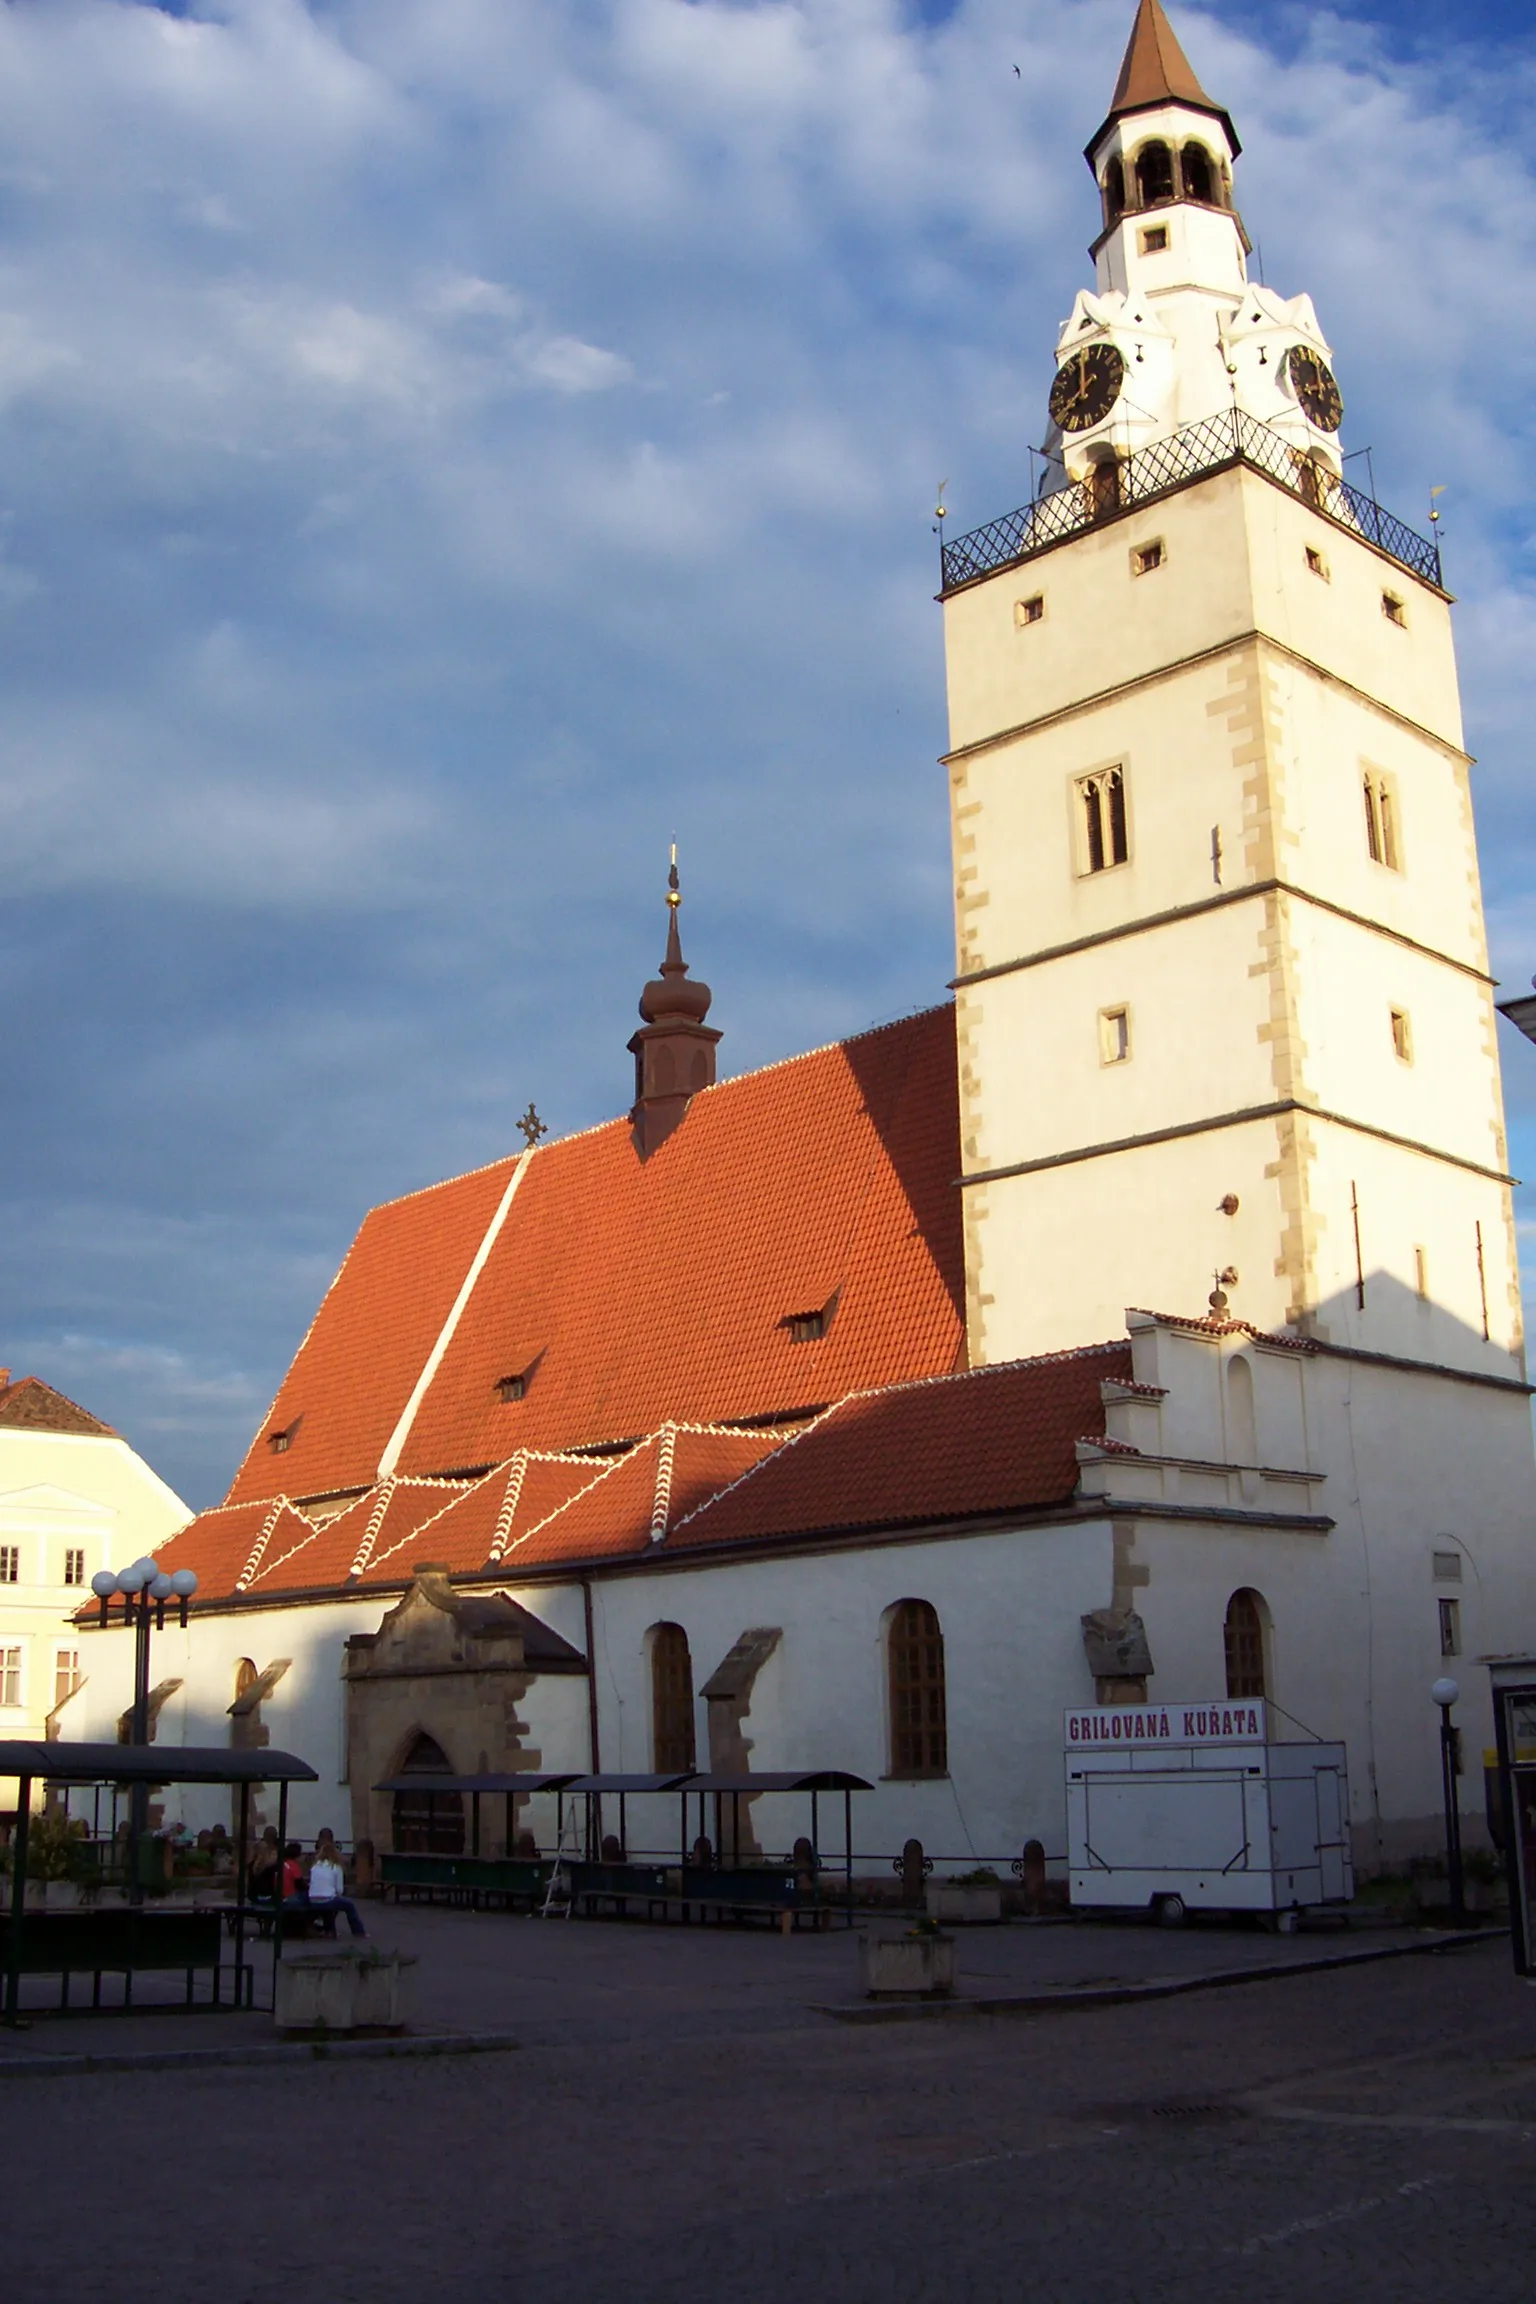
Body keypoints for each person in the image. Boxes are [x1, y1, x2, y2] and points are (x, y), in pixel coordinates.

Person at [301, 1835, 368, 1939]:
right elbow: (339, 1890)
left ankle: (328, 1930)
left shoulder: (315, 1866)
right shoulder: (336, 1867)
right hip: (328, 1899)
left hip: (313, 1899)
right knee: (348, 1905)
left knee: (330, 1904)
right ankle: (359, 1932)